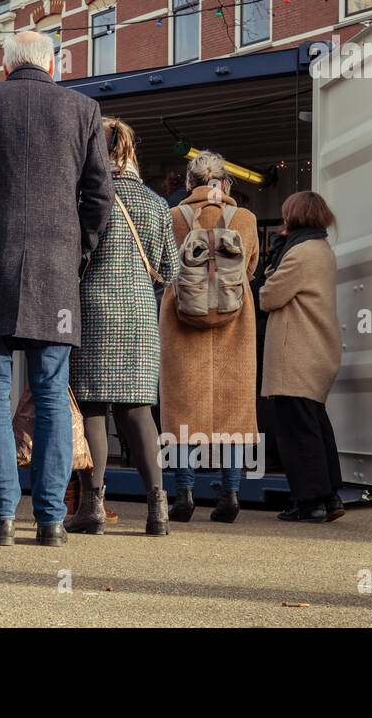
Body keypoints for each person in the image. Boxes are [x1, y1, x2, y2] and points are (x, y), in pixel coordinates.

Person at [0, 30, 113, 547]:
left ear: (6, 66)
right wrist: (78, 249)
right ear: (52, 65)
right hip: (56, 272)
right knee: (53, 394)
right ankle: (52, 520)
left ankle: (0, 518)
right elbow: (99, 195)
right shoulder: (83, 109)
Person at [67, 118, 180, 536]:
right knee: (138, 412)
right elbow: (169, 268)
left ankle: (92, 508)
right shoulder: (156, 204)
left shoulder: (87, 197)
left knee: (93, 410)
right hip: (139, 317)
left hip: (92, 311)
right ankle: (158, 511)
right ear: (131, 153)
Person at [159, 150, 260, 524]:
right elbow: (250, 268)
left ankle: (183, 494)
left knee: (182, 410)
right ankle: (230, 494)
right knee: (234, 412)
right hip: (236, 325)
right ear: (225, 183)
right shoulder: (245, 219)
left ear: (190, 183)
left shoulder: (174, 218)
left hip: (182, 323)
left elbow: (163, 267)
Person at [258, 191, 344, 522]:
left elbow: (270, 296)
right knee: (316, 424)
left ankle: (310, 501)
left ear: (295, 216)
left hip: (296, 352)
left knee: (295, 430)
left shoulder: (300, 253)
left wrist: (269, 271)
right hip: (318, 350)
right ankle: (331, 495)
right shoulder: (322, 248)